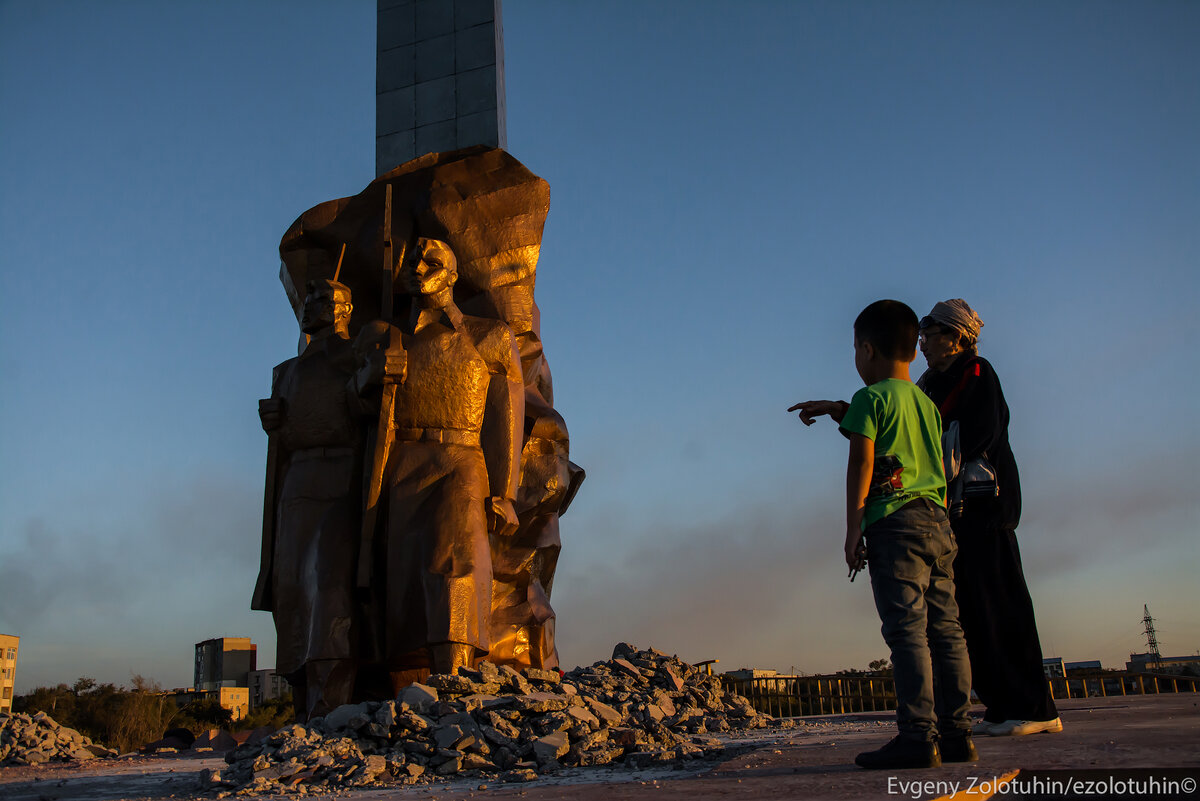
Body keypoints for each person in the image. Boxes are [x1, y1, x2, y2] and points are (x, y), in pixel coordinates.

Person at [789, 300, 976, 770]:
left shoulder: (870, 400)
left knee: (906, 632)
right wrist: (839, 410)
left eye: (855, 350)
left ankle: (917, 737)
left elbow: (863, 460)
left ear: (867, 350)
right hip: (937, 522)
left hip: (895, 525)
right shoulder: (926, 405)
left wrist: (853, 527)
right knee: (947, 630)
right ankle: (957, 735)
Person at [355, 237, 524, 683]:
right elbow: (354, 409)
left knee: (455, 563)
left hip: (461, 461)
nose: (418, 266)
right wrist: (370, 378)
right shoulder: (386, 337)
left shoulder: (489, 335)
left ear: (452, 275)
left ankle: (456, 681)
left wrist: (505, 494)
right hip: (401, 464)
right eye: (412, 260)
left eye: (432, 260)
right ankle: (411, 684)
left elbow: (506, 417)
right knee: (404, 577)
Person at [916, 299, 1061, 737]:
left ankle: (1035, 708)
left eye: (931, 332)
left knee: (1002, 606)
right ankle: (1002, 705)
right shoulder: (931, 383)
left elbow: (978, 432)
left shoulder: (978, 373)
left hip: (985, 509)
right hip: (957, 512)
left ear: (956, 337)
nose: (923, 342)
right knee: (973, 613)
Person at [253, 278, 364, 721]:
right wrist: (272, 424)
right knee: (292, 587)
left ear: (346, 308)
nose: (311, 304)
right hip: (296, 483)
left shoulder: (356, 356)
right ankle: (301, 702)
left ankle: (331, 701)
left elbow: (369, 410)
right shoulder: (286, 371)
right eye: (309, 296)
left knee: (329, 583)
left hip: (341, 476)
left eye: (324, 298)